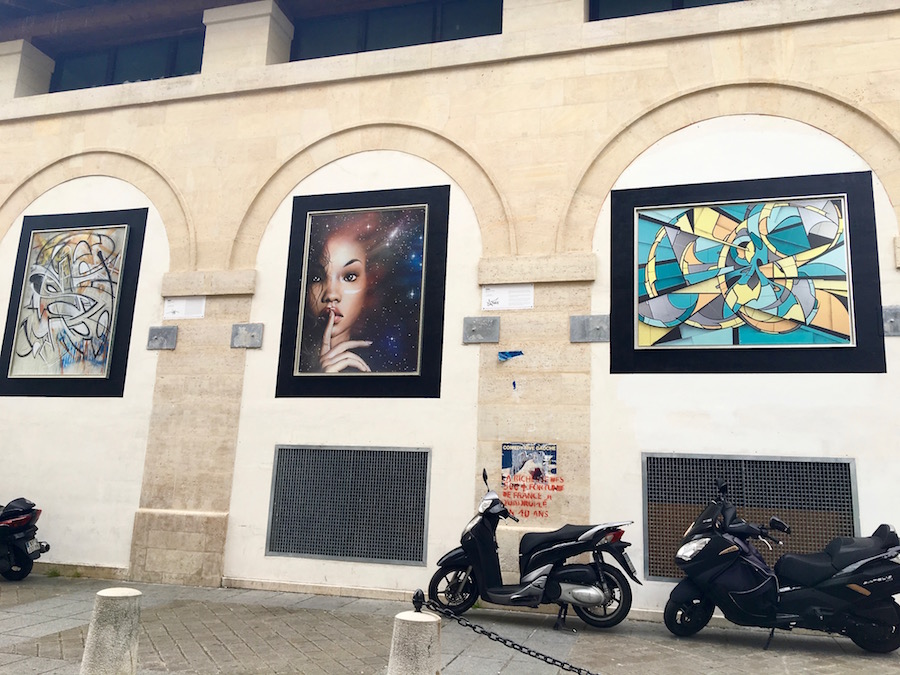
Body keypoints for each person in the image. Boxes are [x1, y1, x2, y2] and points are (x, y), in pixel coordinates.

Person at [296, 207, 424, 374]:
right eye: (317, 277)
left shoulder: (385, 363)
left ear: (369, 284)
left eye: (349, 276)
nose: (331, 295)